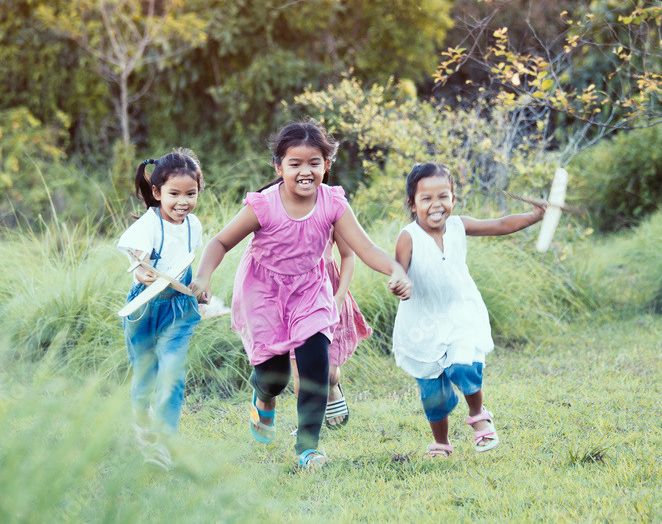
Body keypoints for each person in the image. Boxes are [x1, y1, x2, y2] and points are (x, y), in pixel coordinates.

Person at [189, 120, 412, 470]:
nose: (305, 171)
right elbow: (220, 242)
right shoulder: (263, 205)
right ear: (279, 167)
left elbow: (366, 248)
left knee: (314, 367)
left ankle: (308, 447)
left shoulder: (333, 202)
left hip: (310, 290)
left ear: (327, 164)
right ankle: (263, 396)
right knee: (275, 375)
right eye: (295, 164)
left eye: (314, 163)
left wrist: (396, 270)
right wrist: (202, 277)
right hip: (263, 292)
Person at [392, 162, 544, 458]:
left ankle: (479, 417)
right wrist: (399, 282)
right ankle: (441, 442)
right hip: (422, 322)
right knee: (433, 394)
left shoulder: (459, 225)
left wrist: (535, 216)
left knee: (463, 367)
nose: (436, 205)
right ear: (413, 204)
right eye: (426, 199)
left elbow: (500, 225)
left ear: (453, 197)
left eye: (443, 196)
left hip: (460, 313)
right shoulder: (408, 236)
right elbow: (399, 268)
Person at [116, 149, 205, 469]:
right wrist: (141, 270)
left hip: (180, 309)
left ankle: (163, 445)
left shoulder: (194, 224)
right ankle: (142, 420)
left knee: (172, 373)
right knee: (145, 376)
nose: (183, 201)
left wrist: (199, 289)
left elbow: (191, 263)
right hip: (145, 307)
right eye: (174, 194)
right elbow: (138, 259)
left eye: (190, 194)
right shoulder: (149, 223)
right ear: (157, 192)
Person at [290, 229, 372, 429]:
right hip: (294, 296)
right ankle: (307, 427)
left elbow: (348, 255)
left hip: (329, 294)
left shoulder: (331, 209)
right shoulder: (279, 207)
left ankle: (333, 386)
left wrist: (340, 296)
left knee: (327, 375)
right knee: (301, 373)